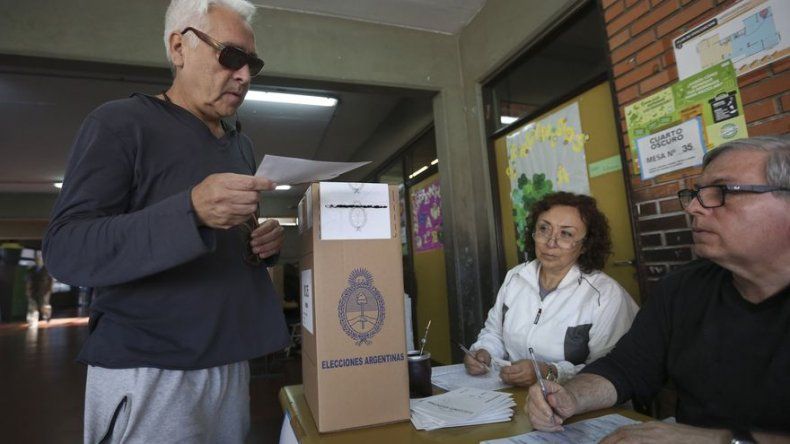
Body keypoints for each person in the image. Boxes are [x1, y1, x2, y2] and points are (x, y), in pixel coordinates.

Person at [43, 1, 288, 442]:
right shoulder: (120, 123)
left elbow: (230, 237)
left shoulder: (241, 145)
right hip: (149, 368)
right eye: (231, 56)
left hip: (229, 362)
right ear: (179, 47)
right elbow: (66, 248)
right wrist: (190, 210)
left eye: (252, 63)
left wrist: (260, 242)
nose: (245, 76)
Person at [526, 136, 790, 443]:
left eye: (721, 192)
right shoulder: (683, 289)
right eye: (695, 194)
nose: (693, 207)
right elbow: (626, 368)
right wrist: (571, 397)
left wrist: (719, 441)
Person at [464, 192, 638, 387]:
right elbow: (494, 332)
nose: (550, 242)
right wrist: (484, 351)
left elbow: (612, 368)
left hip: (578, 404)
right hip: (514, 396)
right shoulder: (516, 277)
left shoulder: (604, 295)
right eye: (544, 229)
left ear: (585, 246)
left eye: (566, 234)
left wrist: (550, 372)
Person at [26, 250, 53, 324]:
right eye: (37, 257)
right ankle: (32, 320)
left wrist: (49, 291)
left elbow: (50, 282)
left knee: (44, 305)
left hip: (44, 291)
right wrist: (28, 290)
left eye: (40, 257)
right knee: (32, 306)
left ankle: (47, 317)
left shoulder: (47, 270)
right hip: (33, 291)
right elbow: (29, 281)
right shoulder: (32, 269)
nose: (38, 259)